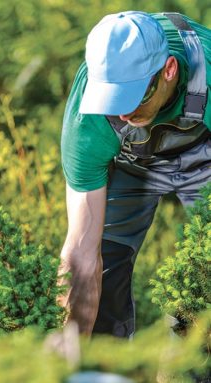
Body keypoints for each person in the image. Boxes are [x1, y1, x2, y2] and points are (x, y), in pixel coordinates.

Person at [58, 11, 210, 338]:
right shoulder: (89, 121)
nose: (124, 112)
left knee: (205, 268)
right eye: (112, 99)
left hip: (205, 155)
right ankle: (103, 364)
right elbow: (81, 252)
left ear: (169, 70)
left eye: (133, 95)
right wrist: (67, 354)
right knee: (103, 259)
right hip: (132, 161)